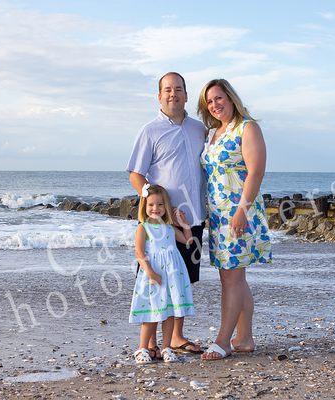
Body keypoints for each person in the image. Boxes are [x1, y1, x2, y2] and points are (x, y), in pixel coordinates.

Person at [126, 72, 206, 356]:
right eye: (168, 89)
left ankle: (175, 338)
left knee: (182, 279)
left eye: (179, 89)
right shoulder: (150, 131)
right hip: (161, 224)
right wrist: (153, 204)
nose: (174, 94)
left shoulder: (200, 129)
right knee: (154, 279)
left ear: (186, 94)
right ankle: (147, 343)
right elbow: (136, 174)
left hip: (193, 219)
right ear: (159, 96)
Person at [198, 79, 272, 360]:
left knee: (231, 277)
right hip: (218, 216)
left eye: (219, 98)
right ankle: (245, 338)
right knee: (234, 276)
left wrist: (242, 210)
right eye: (210, 102)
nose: (215, 105)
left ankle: (223, 340)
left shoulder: (247, 127)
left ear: (230, 98)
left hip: (239, 211)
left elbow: (256, 172)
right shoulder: (213, 133)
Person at [129, 184, 195, 364]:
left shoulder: (168, 227)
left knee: (170, 312)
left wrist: (184, 224)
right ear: (144, 206)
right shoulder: (144, 228)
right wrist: (150, 272)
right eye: (151, 205)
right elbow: (139, 254)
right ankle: (142, 348)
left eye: (160, 205)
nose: (155, 209)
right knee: (152, 312)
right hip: (155, 275)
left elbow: (188, 241)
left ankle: (166, 348)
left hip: (173, 275)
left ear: (166, 206)